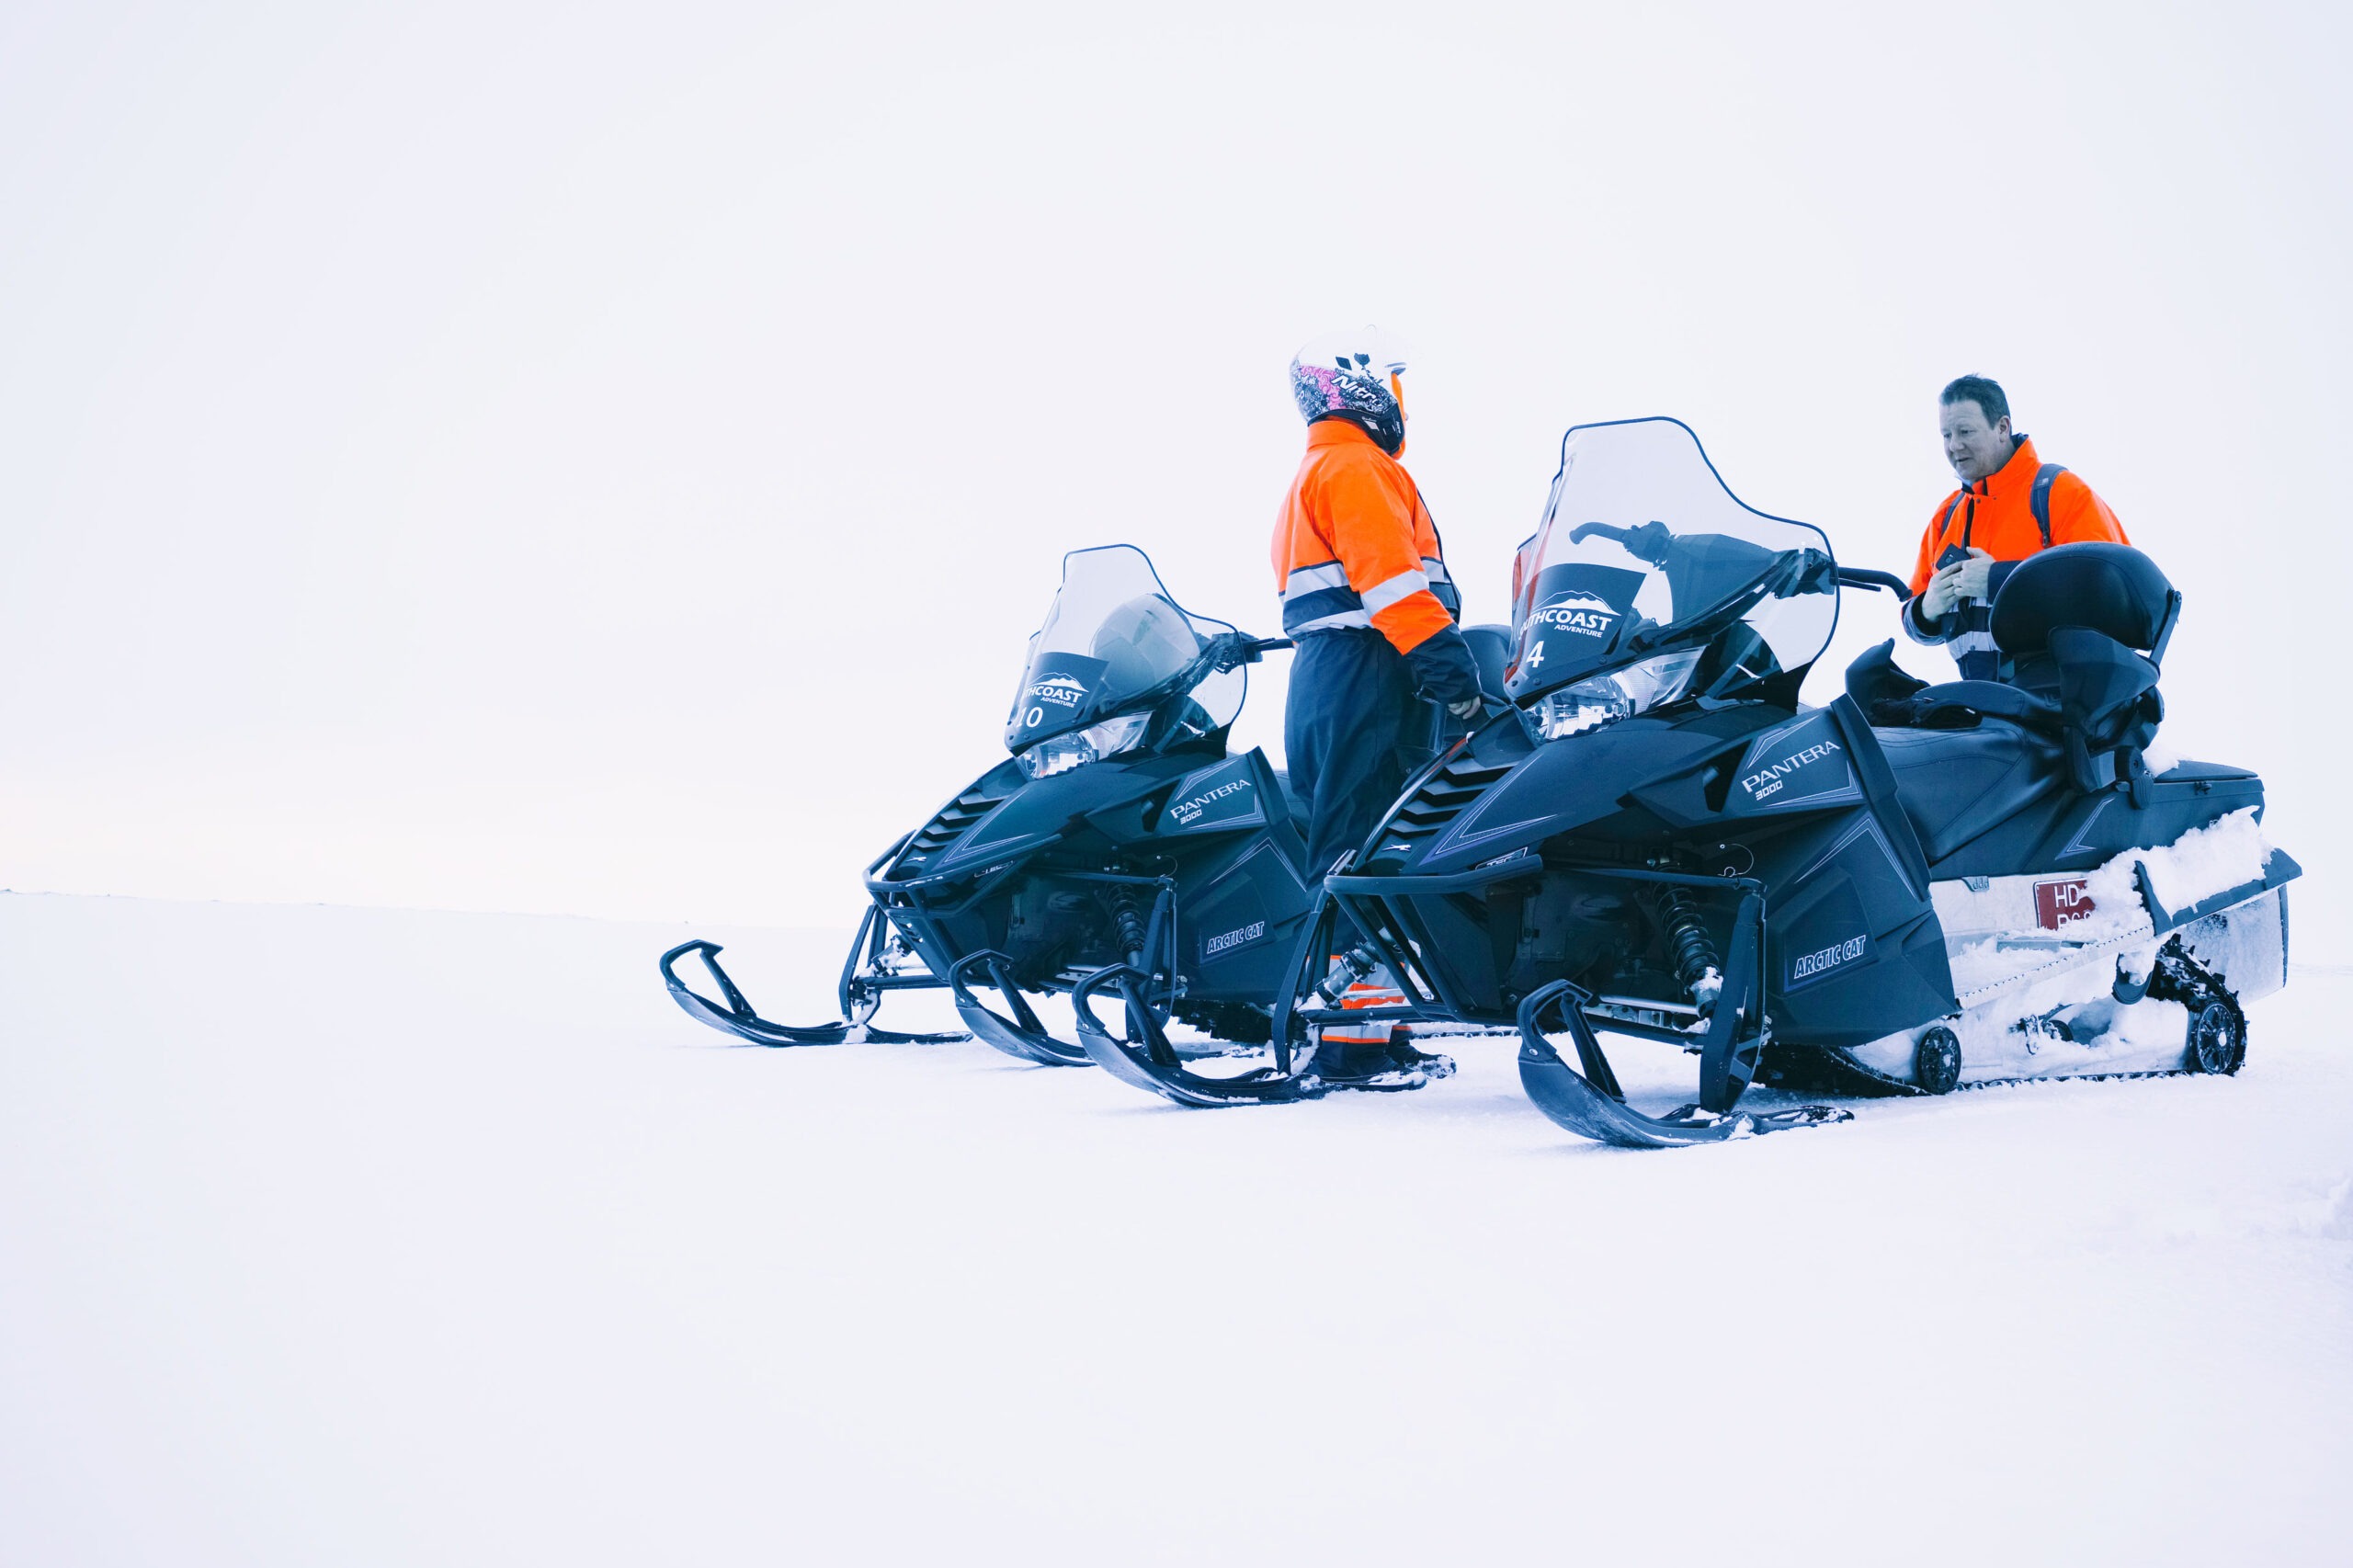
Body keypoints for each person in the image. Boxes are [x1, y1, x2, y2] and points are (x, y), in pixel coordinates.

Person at [1270, 329, 1484, 1087]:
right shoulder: (1357, 466)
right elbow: (1391, 583)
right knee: (1366, 844)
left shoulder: (1317, 468)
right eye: (1388, 388)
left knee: (1352, 842)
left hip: (1335, 673)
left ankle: (1373, 1024)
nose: (1397, 406)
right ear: (1353, 388)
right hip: (1373, 669)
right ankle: (1351, 1042)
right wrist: (1449, 669)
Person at [1905, 375, 2129, 681]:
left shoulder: (2059, 493)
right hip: (1986, 712)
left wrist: (1998, 578)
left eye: (1965, 431)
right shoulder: (1946, 517)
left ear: (2002, 428)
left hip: (2064, 708)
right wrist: (1926, 608)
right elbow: (1912, 611)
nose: (1954, 445)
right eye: (1946, 434)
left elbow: (2107, 594)